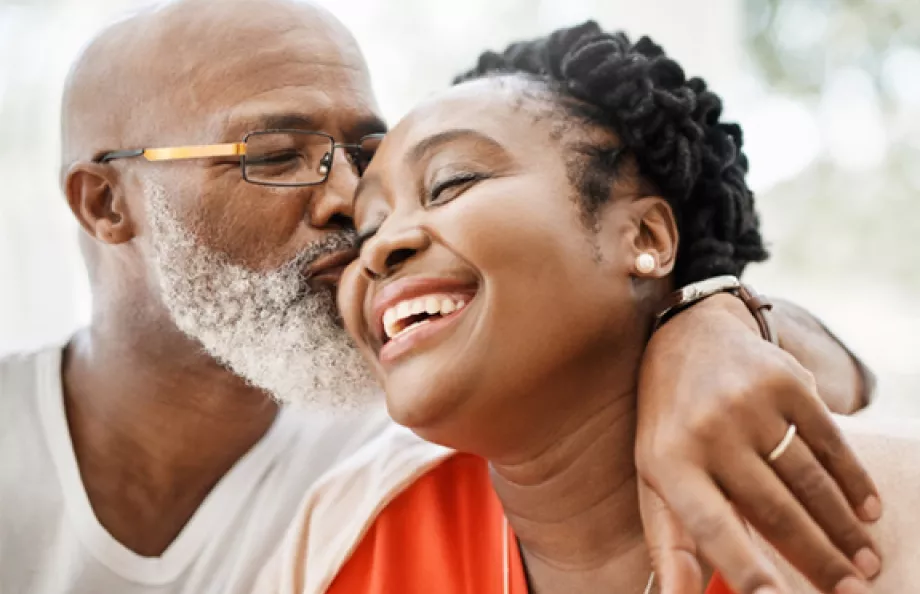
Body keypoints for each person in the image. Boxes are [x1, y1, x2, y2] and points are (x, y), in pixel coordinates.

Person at [0, 2, 877, 593]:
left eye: (366, 156)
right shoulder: (368, 497)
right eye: (273, 154)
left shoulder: (424, 415)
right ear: (105, 204)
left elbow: (849, 380)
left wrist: (711, 319)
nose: (353, 206)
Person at [255, 21, 919, 594]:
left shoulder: (877, 518)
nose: (381, 250)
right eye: (368, 230)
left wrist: (723, 311)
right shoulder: (343, 536)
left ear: (645, 238)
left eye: (452, 181)